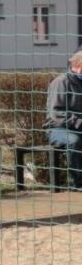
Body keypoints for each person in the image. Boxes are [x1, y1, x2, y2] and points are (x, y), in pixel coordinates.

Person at [45, 50, 82, 190]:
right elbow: (56, 113)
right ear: (79, 65)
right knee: (74, 141)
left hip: (79, 128)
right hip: (57, 129)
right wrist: (79, 122)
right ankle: (78, 184)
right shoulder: (61, 82)